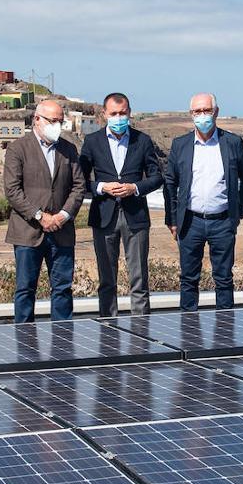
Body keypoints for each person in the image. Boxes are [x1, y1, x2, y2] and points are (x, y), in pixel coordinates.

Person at [163, 93, 243, 311]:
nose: (202, 115)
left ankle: (223, 335)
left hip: (223, 221)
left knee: (223, 279)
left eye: (206, 110)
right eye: (197, 111)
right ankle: (189, 334)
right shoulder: (180, 145)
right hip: (190, 222)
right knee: (188, 279)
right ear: (191, 114)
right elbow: (169, 182)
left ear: (216, 112)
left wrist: (239, 213)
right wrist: (172, 219)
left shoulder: (232, 142)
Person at [78, 92, 163, 317]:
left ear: (129, 113)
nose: (118, 117)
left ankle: (142, 333)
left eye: (122, 113)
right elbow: (80, 181)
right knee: (107, 280)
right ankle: (109, 330)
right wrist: (101, 187)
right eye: (114, 113)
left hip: (135, 217)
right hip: (103, 216)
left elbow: (156, 177)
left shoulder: (142, 140)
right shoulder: (92, 141)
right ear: (104, 114)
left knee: (139, 279)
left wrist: (134, 188)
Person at [3, 99, 86, 322]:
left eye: (60, 121)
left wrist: (62, 215)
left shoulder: (69, 149)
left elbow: (79, 186)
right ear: (37, 119)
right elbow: (12, 190)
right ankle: (25, 344)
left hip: (62, 231)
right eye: (53, 120)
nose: (57, 125)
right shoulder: (18, 148)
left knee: (62, 289)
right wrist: (40, 216)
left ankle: (62, 342)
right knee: (25, 289)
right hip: (28, 232)